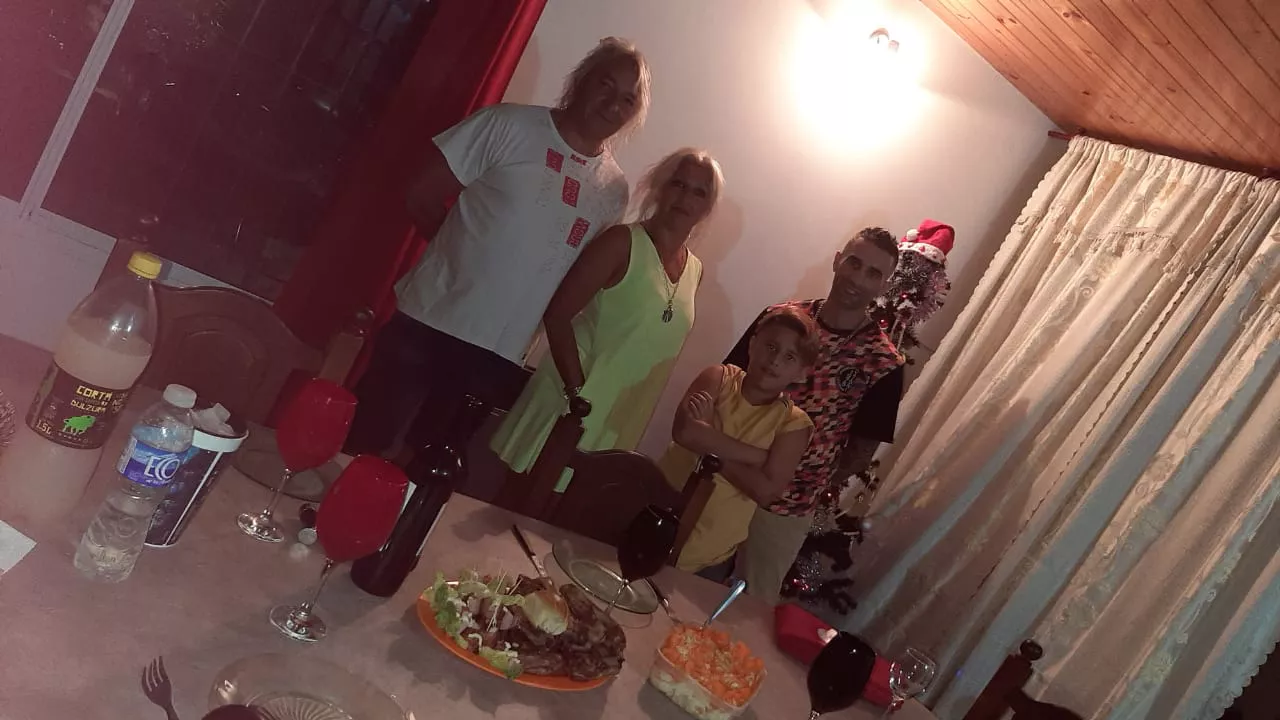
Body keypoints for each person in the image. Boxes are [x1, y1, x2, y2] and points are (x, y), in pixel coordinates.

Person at [344, 38, 651, 458]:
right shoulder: (507, 124)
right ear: (582, 79)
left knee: (430, 470)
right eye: (605, 84)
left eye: (628, 99)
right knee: (360, 449)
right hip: (429, 323)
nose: (613, 103)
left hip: (499, 356)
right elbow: (421, 195)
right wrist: (461, 257)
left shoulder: (614, 190)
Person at [491, 148, 725, 489]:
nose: (685, 197)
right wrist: (575, 390)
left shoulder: (695, 270)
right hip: (571, 403)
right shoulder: (620, 242)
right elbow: (558, 314)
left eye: (698, 191)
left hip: (621, 415)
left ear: (707, 207)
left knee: (570, 510)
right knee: (515, 504)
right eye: (678, 184)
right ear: (659, 187)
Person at [724, 226, 906, 603]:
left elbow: (860, 452)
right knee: (681, 573)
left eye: (873, 273)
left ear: (884, 285)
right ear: (838, 261)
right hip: (724, 475)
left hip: (787, 509)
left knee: (747, 606)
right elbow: (726, 383)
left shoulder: (884, 363)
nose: (858, 278)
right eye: (854, 263)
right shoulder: (780, 319)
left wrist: (801, 476)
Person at [659, 307, 817, 581]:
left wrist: (709, 438)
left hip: (710, 556)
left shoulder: (793, 424)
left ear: (802, 373)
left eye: (789, 357)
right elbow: (685, 432)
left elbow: (765, 490)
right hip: (655, 514)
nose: (775, 360)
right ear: (753, 344)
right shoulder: (717, 378)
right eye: (771, 346)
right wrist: (758, 457)